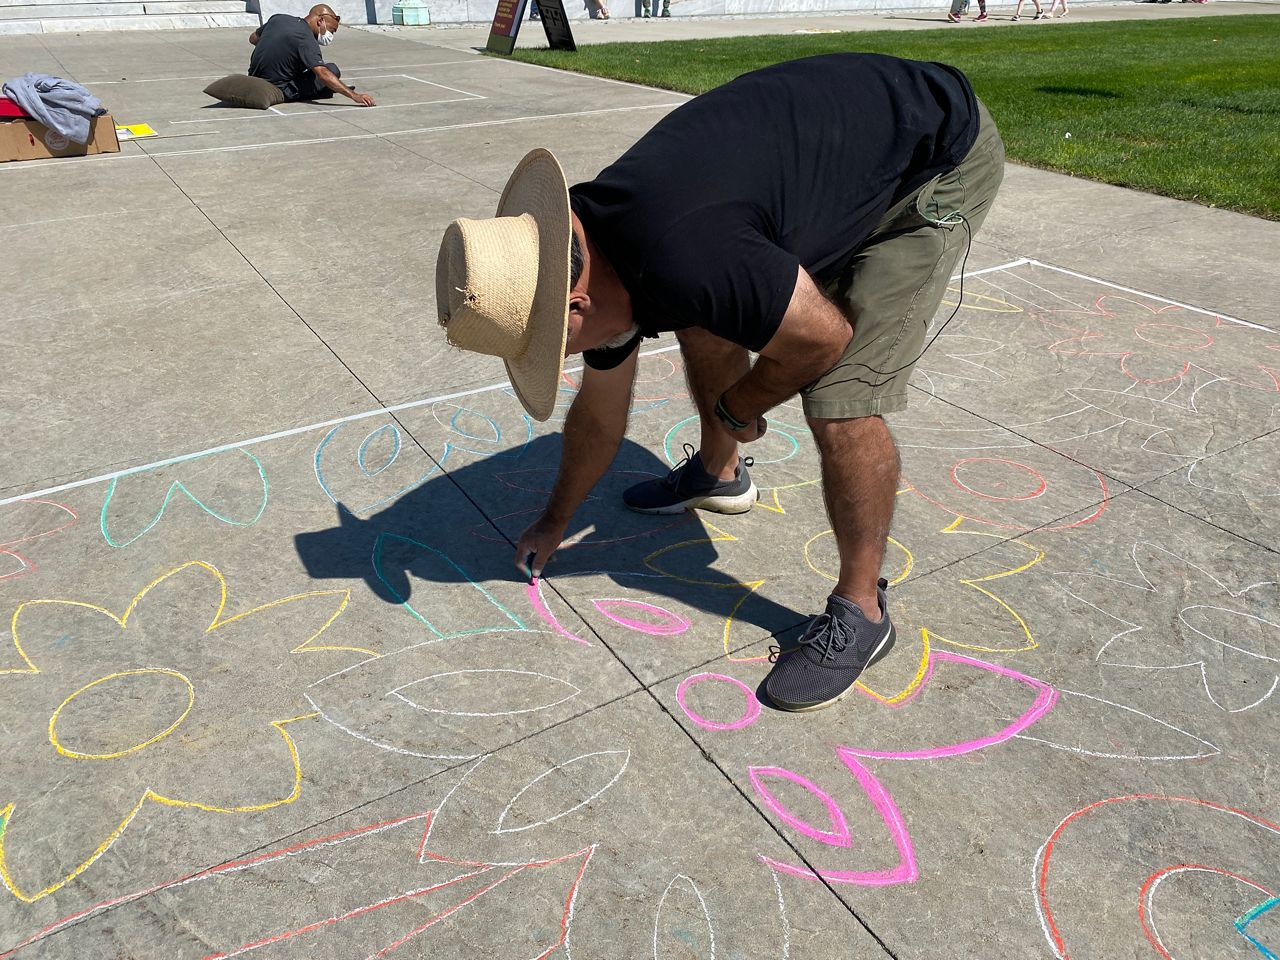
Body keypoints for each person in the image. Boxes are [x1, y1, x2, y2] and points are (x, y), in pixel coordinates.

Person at [434, 53, 1004, 713]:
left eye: (548, 349)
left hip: (933, 155)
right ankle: (718, 474)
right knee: (705, 322)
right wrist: (556, 520)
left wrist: (745, 403)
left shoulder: (685, 254)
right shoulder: (588, 247)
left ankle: (864, 610)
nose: (558, 362)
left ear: (577, 307)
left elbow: (822, 337)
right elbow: (598, 414)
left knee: (842, 400)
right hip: (839, 142)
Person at [248, 5, 376, 106]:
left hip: (254, 77)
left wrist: (277, 49)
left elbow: (253, 38)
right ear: (320, 21)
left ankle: (333, 87)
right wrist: (354, 96)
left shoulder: (278, 18)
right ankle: (330, 89)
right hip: (278, 88)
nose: (330, 36)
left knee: (305, 66)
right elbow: (323, 74)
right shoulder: (307, 39)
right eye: (331, 30)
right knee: (332, 70)